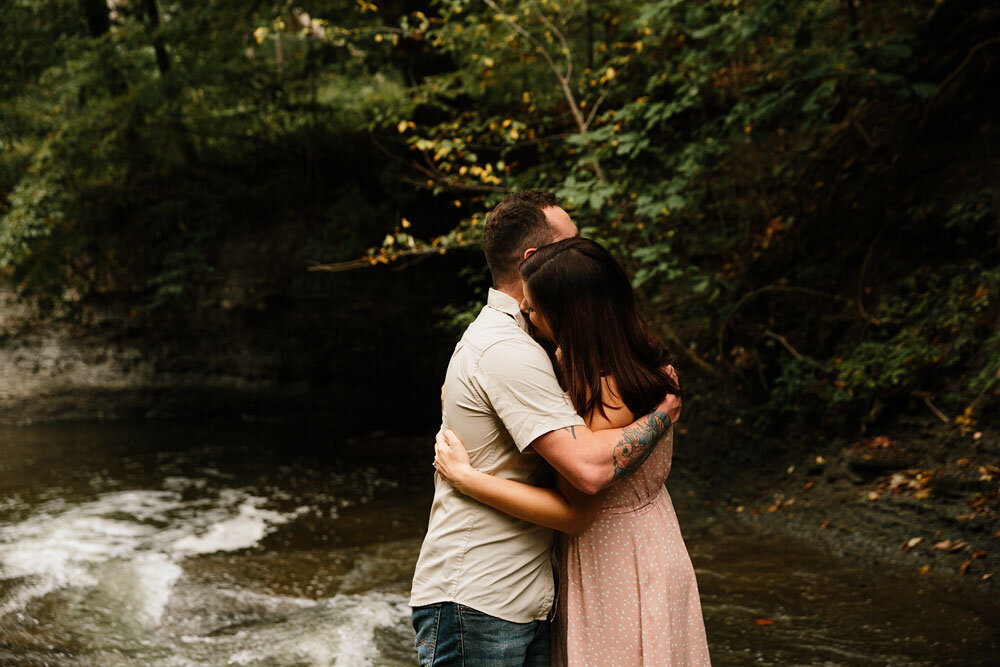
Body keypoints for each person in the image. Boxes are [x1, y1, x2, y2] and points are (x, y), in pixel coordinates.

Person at [409, 192, 679, 666]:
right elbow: (588, 473)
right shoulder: (506, 348)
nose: (583, 254)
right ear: (537, 260)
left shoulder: (549, 347)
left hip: (525, 593)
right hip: (481, 597)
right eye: (570, 244)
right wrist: (664, 412)